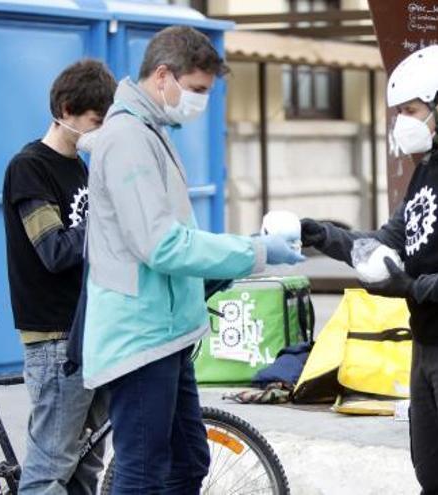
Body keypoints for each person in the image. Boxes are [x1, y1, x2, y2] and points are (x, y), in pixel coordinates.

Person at [80, 26, 304, 493]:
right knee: (143, 473)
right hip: (140, 339)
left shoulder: (149, 132)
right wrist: (255, 252)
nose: (200, 102)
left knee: (188, 461)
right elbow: (161, 244)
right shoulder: (127, 140)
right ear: (164, 76)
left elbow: (176, 236)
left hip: (167, 334)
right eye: (197, 89)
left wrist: (238, 250)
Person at [302, 45, 438, 494]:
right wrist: (322, 234)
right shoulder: (428, 169)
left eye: (410, 110)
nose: (401, 120)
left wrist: (415, 287)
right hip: (428, 345)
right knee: (434, 477)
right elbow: (389, 241)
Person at [1, 59, 116, 494]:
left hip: (88, 330)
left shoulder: (81, 166)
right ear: (66, 110)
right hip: (54, 338)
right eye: (96, 121)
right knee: (49, 470)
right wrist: (112, 221)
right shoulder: (29, 167)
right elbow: (54, 250)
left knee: (86, 467)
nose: (101, 131)